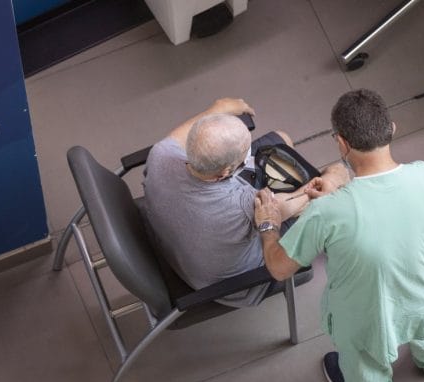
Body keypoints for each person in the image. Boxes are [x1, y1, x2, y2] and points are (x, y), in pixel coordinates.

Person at [254, 89, 424, 382]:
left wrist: (268, 225)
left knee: (363, 359)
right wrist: (342, 191)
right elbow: (388, 212)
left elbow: (280, 269)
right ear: (391, 128)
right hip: (420, 294)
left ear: (341, 143)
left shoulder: (325, 213)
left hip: (365, 317)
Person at [143, 98, 348, 307]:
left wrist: (219, 108)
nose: (250, 156)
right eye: (245, 156)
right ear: (225, 172)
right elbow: (309, 197)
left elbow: (205, 119)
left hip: (176, 242)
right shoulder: (244, 207)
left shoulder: (160, 154)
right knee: (334, 181)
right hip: (232, 284)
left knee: (281, 139)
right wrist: (335, 177)